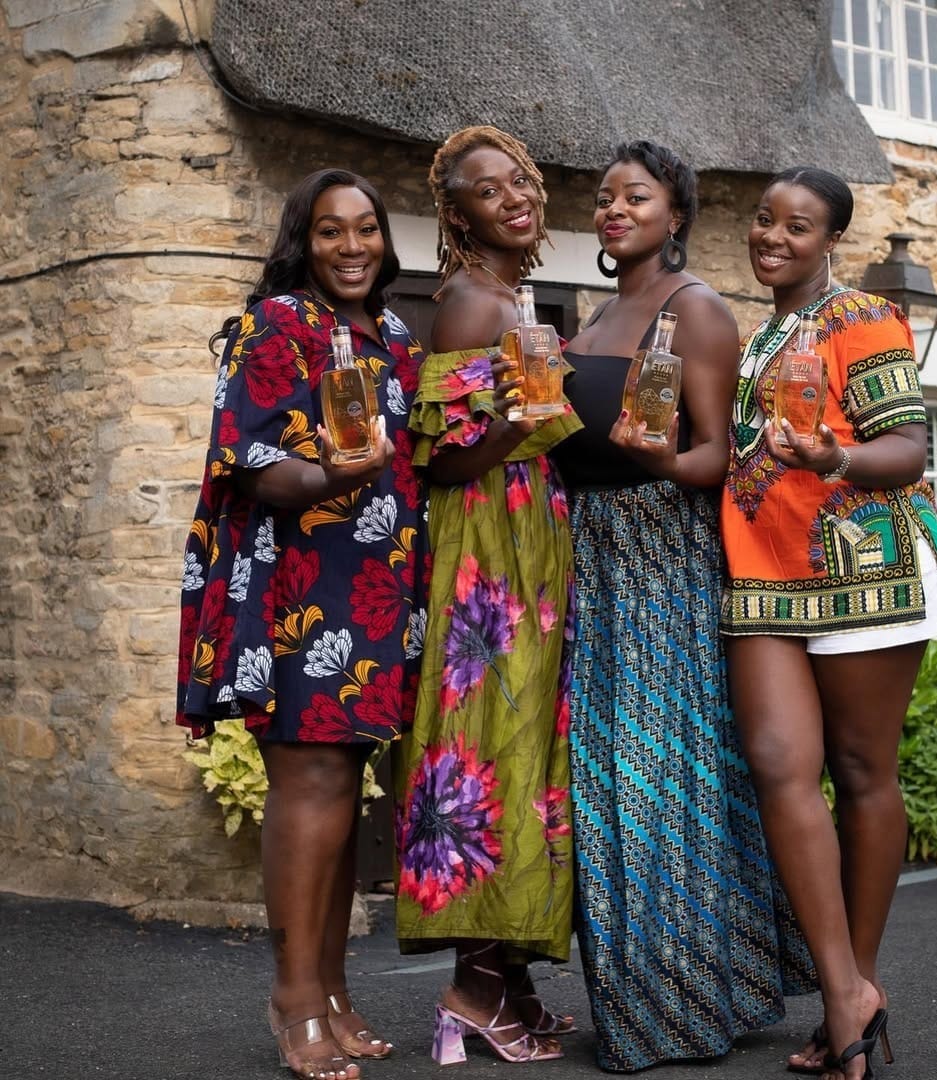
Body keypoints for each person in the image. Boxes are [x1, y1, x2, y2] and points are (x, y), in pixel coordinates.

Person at [551, 139, 815, 1073]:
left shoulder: (693, 308)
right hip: (593, 566)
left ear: (675, 214)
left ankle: (692, 1004)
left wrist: (661, 460)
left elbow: (720, 456)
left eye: (636, 197)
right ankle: (654, 1000)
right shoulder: (592, 316)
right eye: (605, 196)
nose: (614, 209)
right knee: (604, 790)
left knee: (663, 786)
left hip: (662, 563)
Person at [176, 169, 426, 1080]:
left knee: (344, 785)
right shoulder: (275, 325)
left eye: (366, 229)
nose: (352, 246)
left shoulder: (397, 335)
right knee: (311, 782)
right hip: (303, 587)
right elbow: (250, 462)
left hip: (382, 586)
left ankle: (333, 991)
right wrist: (333, 477)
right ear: (303, 241)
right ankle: (293, 997)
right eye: (331, 231)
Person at [720, 166, 937, 1080]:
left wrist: (836, 456)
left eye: (798, 225)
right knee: (780, 765)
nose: (773, 236)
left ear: (831, 241)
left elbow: (908, 448)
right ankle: (844, 989)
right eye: (765, 220)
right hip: (764, 577)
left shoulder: (861, 316)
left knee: (863, 773)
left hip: (865, 571)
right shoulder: (759, 338)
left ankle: (853, 990)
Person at [393, 126, 581, 1065]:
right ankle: (471, 990)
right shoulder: (471, 301)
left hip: (529, 539)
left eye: (520, 181)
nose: (514, 197)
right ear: (457, 214)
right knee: (485, 745)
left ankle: (511, 977)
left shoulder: (514, 298)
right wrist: (516, 421)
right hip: (487, 555)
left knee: (525, 750)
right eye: (487, 189)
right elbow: (441, 461)